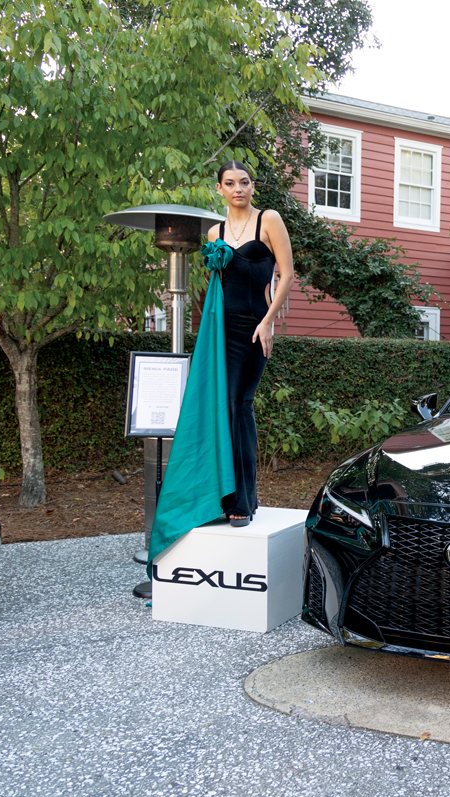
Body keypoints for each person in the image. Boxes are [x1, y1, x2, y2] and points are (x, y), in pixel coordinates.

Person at [207, 160, 295, 525]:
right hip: (222, 329)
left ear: (252, 186)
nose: (238, 189)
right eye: (230, 183)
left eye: (244, 182)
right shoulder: (215, 232)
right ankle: (223, 497)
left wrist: (268, 322)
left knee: (241, 405)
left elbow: (287, 274)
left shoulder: (268, 220)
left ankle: (245, 500)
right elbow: (217, 288)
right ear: (220, 190)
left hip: (255, 326)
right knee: (223, 408)